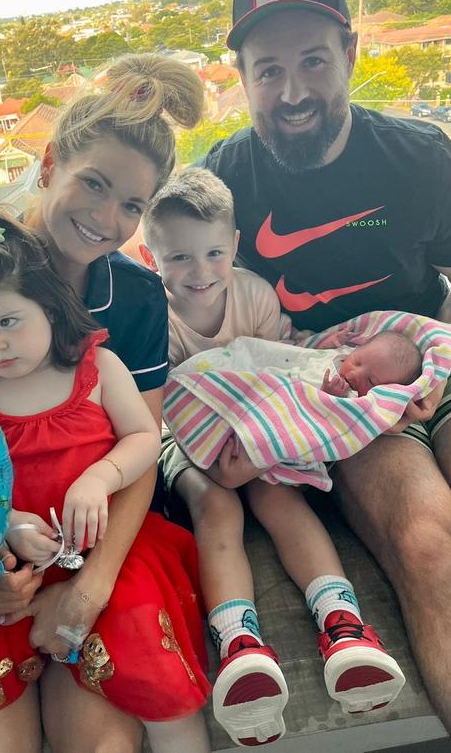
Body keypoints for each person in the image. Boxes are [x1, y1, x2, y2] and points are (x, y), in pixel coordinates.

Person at [197, 0, 451, 752]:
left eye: (313, 62)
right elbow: (157, 287)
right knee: (431, 545)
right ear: (243, 78)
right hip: (332, 396)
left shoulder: (423, 160)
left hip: (446, 353)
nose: (292, 91)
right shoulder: (221, 184)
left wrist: (436, 365)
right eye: (268, 70)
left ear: (352, 55)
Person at [0, 53, 206, 753]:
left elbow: (139, 451)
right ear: (52, 162)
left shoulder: (139, 296)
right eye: (94, 183)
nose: (106, 217)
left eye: (132, 204)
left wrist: (86, 589)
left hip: (101, 551)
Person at [141, 169, 408, 747]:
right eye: (179, 258)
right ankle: (240, 642)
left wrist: (263, 450)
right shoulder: (152, 317)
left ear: (235, 245)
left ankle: (345, 626)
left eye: (214, 253)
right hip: (185, 440)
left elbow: (280, 376)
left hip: (261, 435)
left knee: (280, 499)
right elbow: (165, 411)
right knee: (217, 506)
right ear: (150, 255)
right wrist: (219, 468)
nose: (200, 272)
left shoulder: (255, 294)